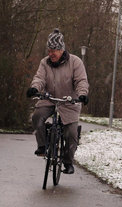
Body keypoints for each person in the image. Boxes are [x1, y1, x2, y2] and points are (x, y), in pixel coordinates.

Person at [26, 28, 89, 174]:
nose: (50, 54)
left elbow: (81, 81)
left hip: (69, 101)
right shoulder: (45, 63)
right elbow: (39, 78)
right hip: (49, 99)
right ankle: (42, 146)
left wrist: (82, 95)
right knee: (37, 117)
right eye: (48, 50)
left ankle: (68, 162)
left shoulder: (75, 62)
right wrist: (34, 88)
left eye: (53, 50)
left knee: (71, 133)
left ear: (61, 49)